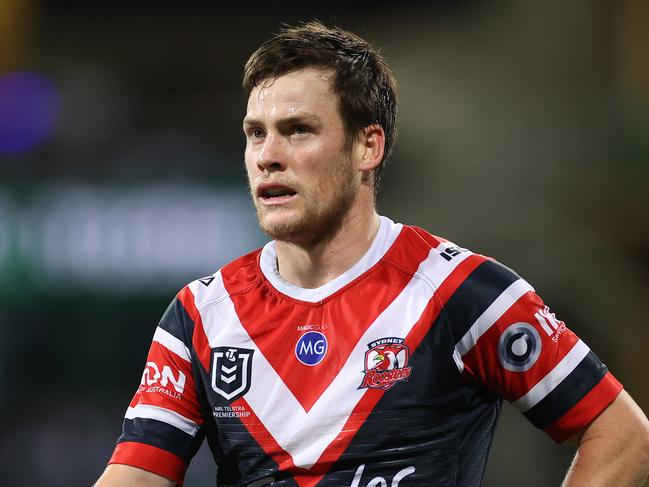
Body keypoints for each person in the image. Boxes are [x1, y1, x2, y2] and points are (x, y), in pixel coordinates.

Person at [94, 21, 649, 487]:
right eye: (255, 134)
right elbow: (138, 474)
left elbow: (624, 437)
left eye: (298, 130)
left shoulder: (461, 293)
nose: (268, 156)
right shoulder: (200, 316)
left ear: (368, 146)